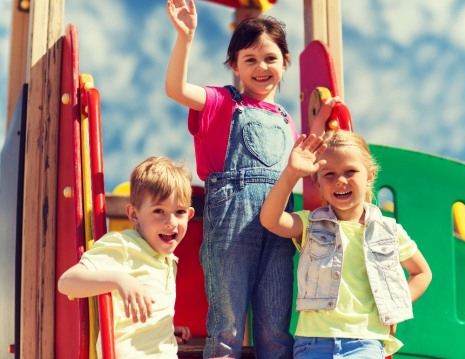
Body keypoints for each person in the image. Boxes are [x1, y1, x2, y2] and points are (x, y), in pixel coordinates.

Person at [165, 1, 333, 358]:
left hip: (278, 233)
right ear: (235, 66)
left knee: (275, 329)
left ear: (285, 62)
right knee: (227, 326)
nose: (261, 67)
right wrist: (185, 38)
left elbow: (308, 158)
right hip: (231, 229)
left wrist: (325, 121)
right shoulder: (222, 103)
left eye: (270, 58)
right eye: (250, 59)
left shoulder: (288, 121)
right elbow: (176, 89)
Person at [260, 130, 433, 358]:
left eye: (350, 171)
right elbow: (271, 219)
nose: (340, 180)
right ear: (317, 182)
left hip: (366, 341)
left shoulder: (389, 231)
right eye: (329, 174)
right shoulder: (311, 224)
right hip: (313, 341)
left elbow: (422, 273)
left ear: (369, 175)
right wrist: (291, 174)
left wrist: (393, 307)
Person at [58, 156, 195, 358]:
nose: (171, 222)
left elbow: (137, 319)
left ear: (189, 215)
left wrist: (165, 328)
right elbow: (67, 282)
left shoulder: (168, 260)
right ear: (134, 214)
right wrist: (119, 279)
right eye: (159, 211)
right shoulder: (124, 246)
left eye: (179, 212)